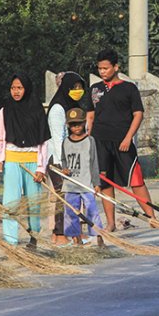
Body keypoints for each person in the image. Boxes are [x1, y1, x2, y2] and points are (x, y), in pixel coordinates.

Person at [90, 48, 156, 229]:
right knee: (105, 182)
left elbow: (138, 114)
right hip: (99, 141)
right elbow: (90, 116)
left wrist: (128, 138)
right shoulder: (95, 89)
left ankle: (152, 218)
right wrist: (88, 141)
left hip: (122, 142)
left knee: (136, 179)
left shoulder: (129, 88)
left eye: (106, 68)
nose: (102, 72)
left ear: (116, 67)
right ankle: (111, 223)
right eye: (100, 68)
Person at [0, 74, 50, 247]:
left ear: (26, 88)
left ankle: (34, 235)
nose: (16, 91)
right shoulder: (5, 110)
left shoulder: (37, 109)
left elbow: (43, 141)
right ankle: (11, 242)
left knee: (34, 203)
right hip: (12, 160)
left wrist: (41, 168)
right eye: (13, 88)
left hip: (33, 161)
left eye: (19, 88)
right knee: (11, 202)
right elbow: (0, 138)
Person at [47, 71, 89, 245]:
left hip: (70, 158)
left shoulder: (71, 105)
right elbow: (58, 138)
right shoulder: (58, 108)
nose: (77, 90)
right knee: (62, 197)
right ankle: (59, 234)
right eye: (74, 87)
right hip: (58, 159)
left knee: (69, 196)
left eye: (80, 87)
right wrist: (62, 164)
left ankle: (71, 232)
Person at [60, 108, 104, 247]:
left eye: (78, 124)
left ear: (84, 123)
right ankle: (75, 238)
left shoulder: (90, 141)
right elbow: (63, 160)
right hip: (71, 185)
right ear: (68, 126)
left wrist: (97, 183)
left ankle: (98, 237)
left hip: (86, 184)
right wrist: (64, 169)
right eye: (73, 125)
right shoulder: (65, 142)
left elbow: (94, 162)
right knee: (71, 212)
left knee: (92, 211)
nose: (76, 127)